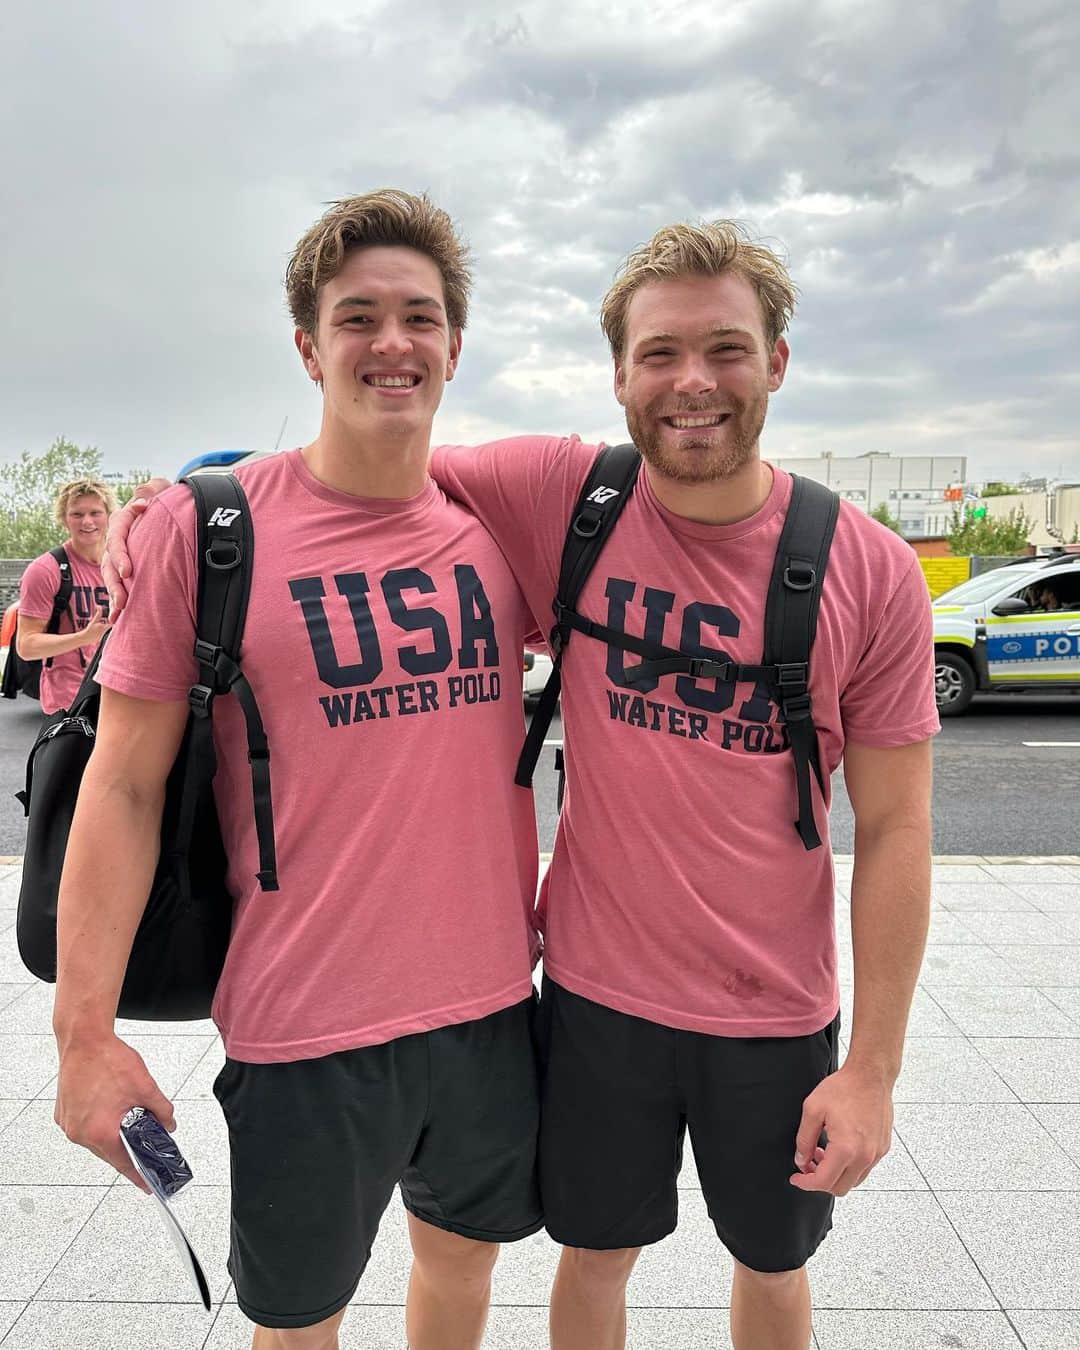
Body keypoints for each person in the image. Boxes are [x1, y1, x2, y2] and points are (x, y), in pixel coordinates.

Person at [108, 219, 939, 1350]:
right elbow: (359, 460)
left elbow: (896, 829)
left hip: (776, 1009)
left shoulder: (872, 571)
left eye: (727, 349)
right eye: (660, 353)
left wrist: (875, 1070)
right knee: (591, 1262)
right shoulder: (566, 498)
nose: (693, 382)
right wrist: (172, 499)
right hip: (593, 999)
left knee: (774, 1263)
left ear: (777, 363)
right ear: (620, 375)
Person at [53, 192, 544, 1350]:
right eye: (357, 315)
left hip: (491, 1013)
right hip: (303, 1029)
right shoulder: (210, 530)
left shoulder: (504, 527)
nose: (391, 343)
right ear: (307, 344)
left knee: (460, 1281)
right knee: (297, 1325)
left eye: (419, 317)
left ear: (455, 346)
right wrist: (83, 1034)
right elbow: (120, 787)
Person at [14, 477, 115, 712]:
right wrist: (84, 637)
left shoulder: (124, 566)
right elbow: (26, 646)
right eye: (77, 514)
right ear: (64, 519)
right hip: (68, 703)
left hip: (118, 697)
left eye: (95, 513)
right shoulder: (45, 570)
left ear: (109, 516)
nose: (87, 522)